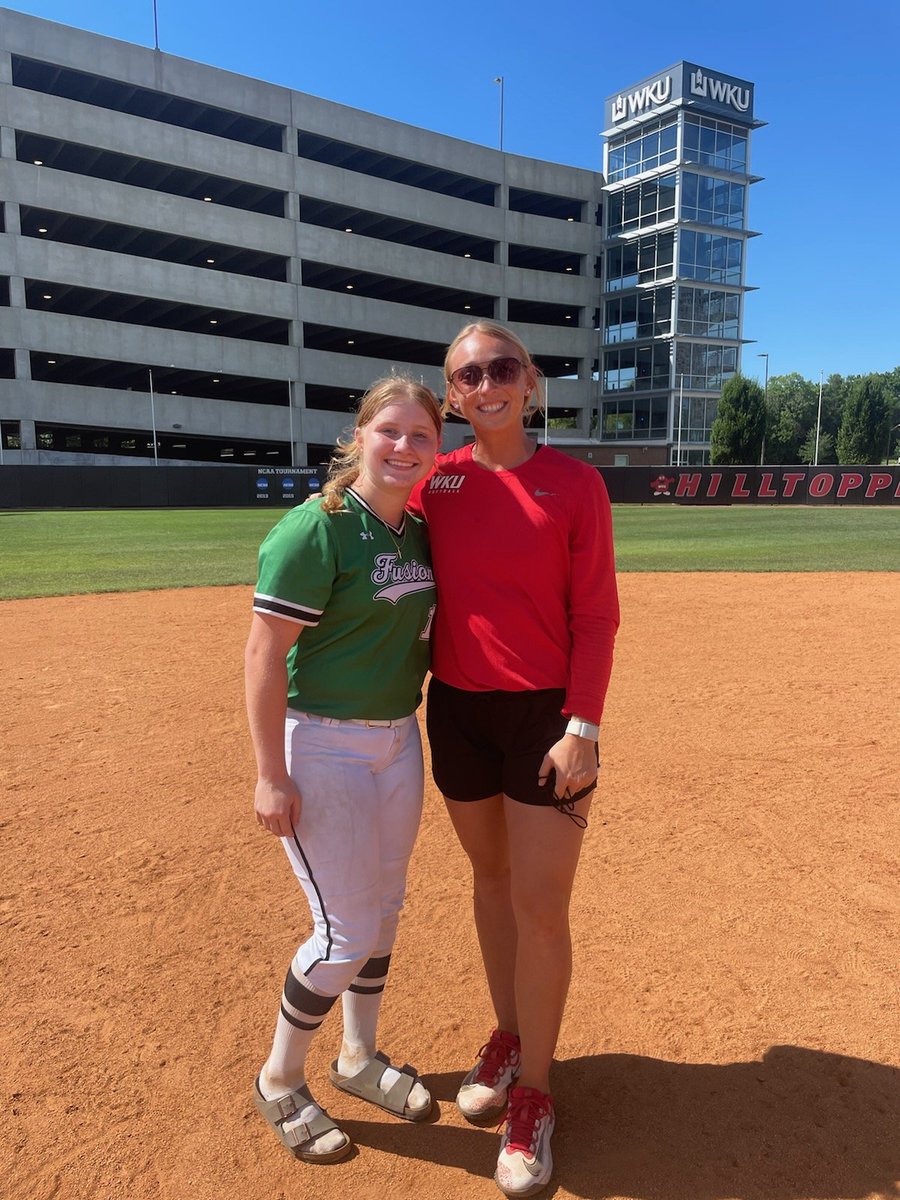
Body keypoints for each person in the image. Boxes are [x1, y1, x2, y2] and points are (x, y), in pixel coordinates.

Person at [409, 321, 619, 1198]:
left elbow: (597, 617)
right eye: (467, 375)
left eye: (501, 368)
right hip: (455, 711)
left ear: (530, 381)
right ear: (451, 393)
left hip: (546, 719)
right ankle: (508, 1032)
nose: (485, 384)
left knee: (540, 904)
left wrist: (584, 726)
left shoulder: (575, 484)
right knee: (489, 881)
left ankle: (535, 1092)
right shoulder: (439, 481)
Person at [245, 375, 441, 1164]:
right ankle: (279, 1079)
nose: (403, 447)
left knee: (385, 910)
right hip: (319, 743)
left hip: (399, 738)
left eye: (421, 436)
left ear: (435, 449)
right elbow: (263, 656)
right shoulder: (313, 529)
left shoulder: (421, 529)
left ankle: (358, 1059)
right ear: (358, 436)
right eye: (389, 431)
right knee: (345, 930)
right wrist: (269, 773)